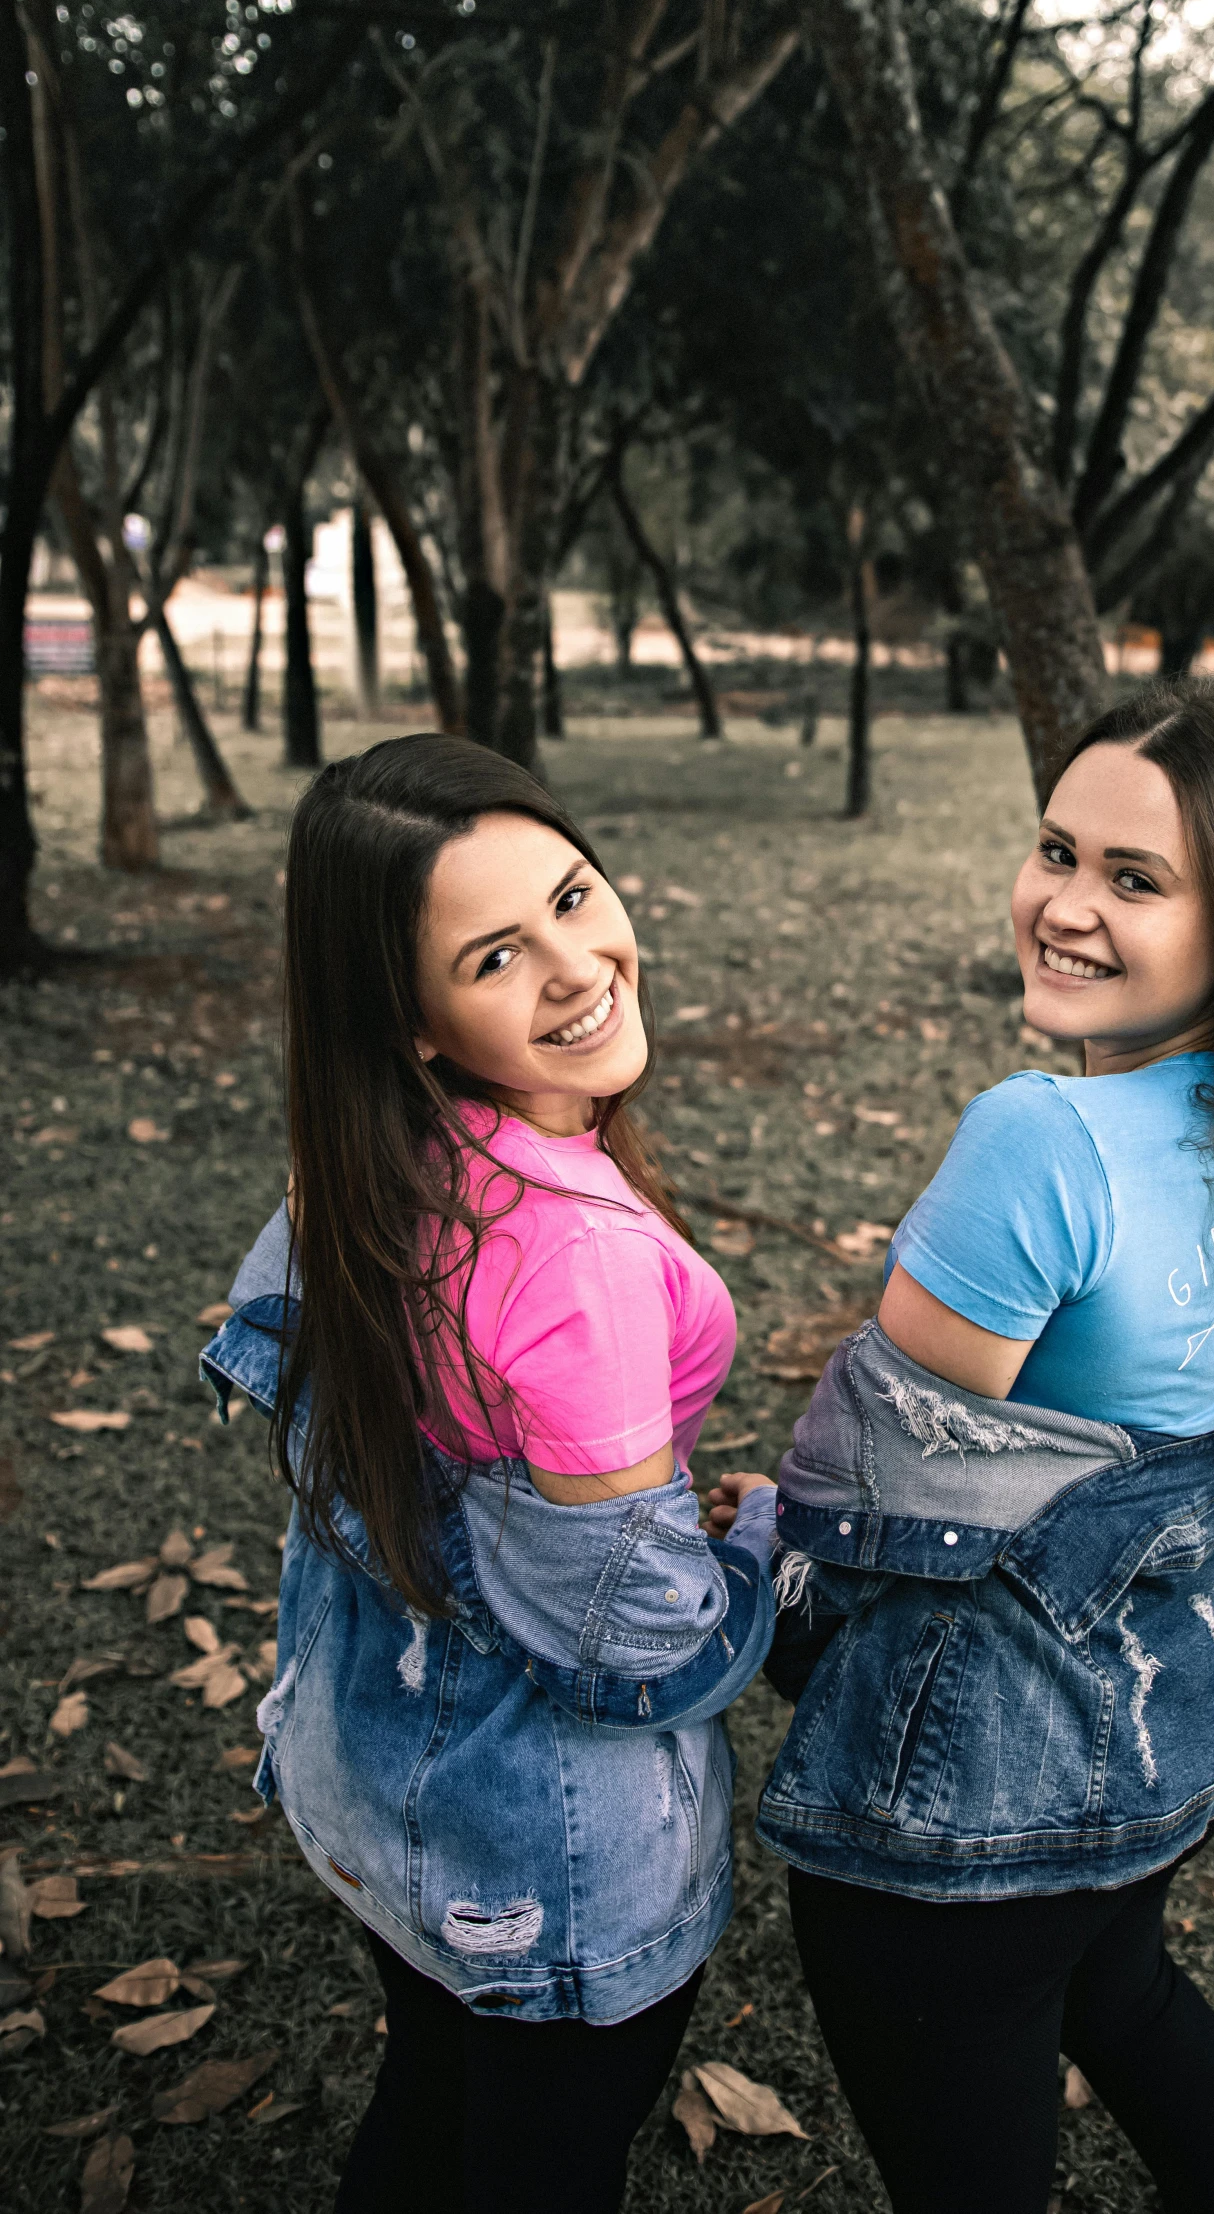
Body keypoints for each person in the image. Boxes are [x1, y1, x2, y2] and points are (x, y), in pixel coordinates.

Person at [715, 678, 1214, 2214]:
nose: (1061, 906)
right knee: (1124, 1998)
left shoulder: (1038, 1136)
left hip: (965, 1794)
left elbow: (870, 1501)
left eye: (1132, 879)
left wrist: (760, 1544)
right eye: (1054, 848)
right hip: (1159, 1735)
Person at [200, 736, 775, 2214]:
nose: (581, 966)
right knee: (537, 2160)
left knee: (432, 2090)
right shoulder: (574, 1255)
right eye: (500, 953)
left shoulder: (359, 1171)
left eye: (575, 897)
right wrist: (763, 1551)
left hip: (378, 1790)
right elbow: (635, 1634)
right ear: (416, 1021)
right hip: (551, 1848)